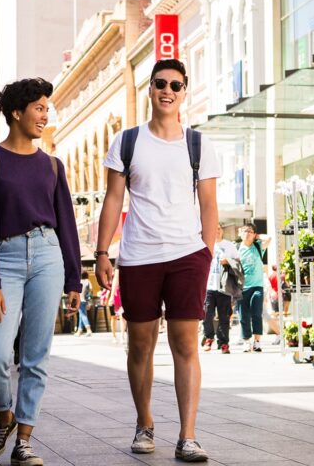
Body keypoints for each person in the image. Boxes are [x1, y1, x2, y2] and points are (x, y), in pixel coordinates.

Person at [96, 58, 220, 463]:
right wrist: (102, 253)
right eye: (160, 83)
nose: (168, 90)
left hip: (187, 255)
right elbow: (114, 199)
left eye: (176, 85)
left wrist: (207, 251)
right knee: (140, 346)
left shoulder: (198, 144)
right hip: (138, 256)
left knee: (186, 344)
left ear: (184, 92)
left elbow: (209, 204)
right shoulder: (127, 141)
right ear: (149, 89)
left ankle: (188, 435)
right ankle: (144, 423)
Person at [0, 77, 82, 466]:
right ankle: (5, 418)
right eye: (38, 108)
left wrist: (73, 279)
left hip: (48, 256)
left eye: (46, 108)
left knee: (36, 356)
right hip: (5, 258)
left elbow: (66, 223)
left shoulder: (52, 165)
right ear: (16, 113)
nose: (44, 115)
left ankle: (24, 442)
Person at [203, 223, 238, 354]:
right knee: (207, 314)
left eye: (218, 228)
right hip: (208, 285)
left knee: (224, 316)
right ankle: (208, 337)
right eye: (214, 228)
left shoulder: (230, 245)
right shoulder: (205, 244)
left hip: (224, 286)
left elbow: (238, 262)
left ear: (222, 231)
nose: (216, 231)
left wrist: (228, 261)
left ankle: (224, 343)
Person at [238, 224, 267, 353]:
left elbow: (269, 238)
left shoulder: (257, 246)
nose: (247, 233)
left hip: (257, 286)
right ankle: (246, 341)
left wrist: (257, 236)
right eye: (245, 231)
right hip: (241, 287)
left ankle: (257, 342)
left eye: (250, 231)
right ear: (240, 233)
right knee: (243, 316)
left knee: (256, 314)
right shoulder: (236, 249)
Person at [74, 272, 93, 336]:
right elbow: (90, 292)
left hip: (80, 300)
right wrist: (89, 302)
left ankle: (88, 329)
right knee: (81, 315)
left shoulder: (79, 281)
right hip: (86, 301)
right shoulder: (88, 281)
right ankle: (79, 331)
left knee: (83, 315)